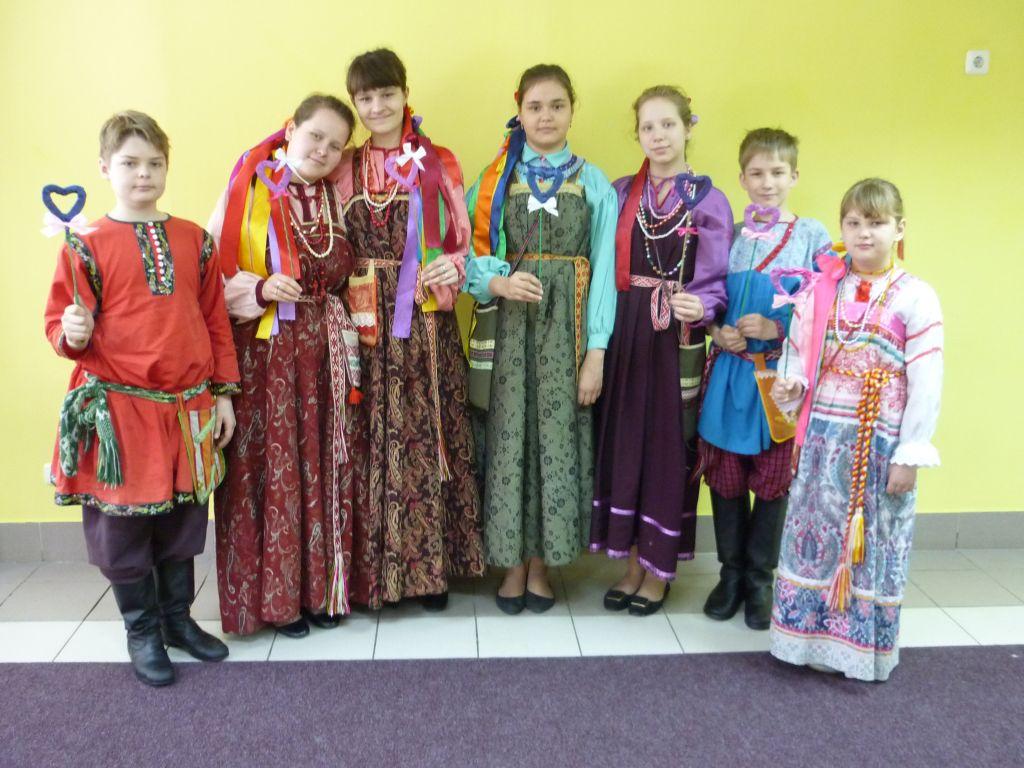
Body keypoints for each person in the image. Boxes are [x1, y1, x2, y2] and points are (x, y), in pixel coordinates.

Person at [45, 111, 239, 686]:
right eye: (130, 163)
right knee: (123, 528)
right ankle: (142, 630)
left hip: (188, 407)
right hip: (119, 410)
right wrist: (72, 331)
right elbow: (62, 327)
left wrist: (222, 394)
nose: (143, 173)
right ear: (105, 168)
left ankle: (178, 620)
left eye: (155, 163)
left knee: (183, 518)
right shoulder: (84, 245)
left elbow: (215, 321)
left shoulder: (194, 240)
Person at [769, 178, 942, 681]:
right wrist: (791, 383)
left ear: (899, 229)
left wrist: (910, 452)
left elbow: (927, 380)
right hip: (822, 441)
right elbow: (799, 350)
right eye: (854, 222)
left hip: (879, 444)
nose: (864, 233)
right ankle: (805, 643)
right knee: (814, 542)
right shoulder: (823, 287)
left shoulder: (916, 296)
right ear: (842, 228)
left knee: (870, 545)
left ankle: (860, 651)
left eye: (877, 222)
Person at [464, 64, 617, 614]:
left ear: (572, 110)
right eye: (535, 107)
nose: (546, 116)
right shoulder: (494, 180)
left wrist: (596, 353)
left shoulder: (593, 182)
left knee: (556, 441)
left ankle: (542, 565)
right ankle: (510, 563)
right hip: (508, 332)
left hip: (567, 334)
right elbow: (461, 255)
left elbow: (605, 274)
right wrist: (498, 282)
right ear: (519, 111)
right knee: (508, 440)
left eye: (557, 105)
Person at [336, 48, 484, 610]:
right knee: (368, 442)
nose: (377, 106)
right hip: (361, 323)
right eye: (365, 97)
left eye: (386, 94)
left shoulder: (437, 161)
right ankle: (373, 575)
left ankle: (428, 575)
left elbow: (460, 242)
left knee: (425, 440)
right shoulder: (344, 165)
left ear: (405, 93)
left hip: (421, 322)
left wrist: (451, 268)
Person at [210, 94, 360, 638]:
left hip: (323, 357)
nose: (323, 150)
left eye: (335, 145)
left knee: (320, 468)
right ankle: (274, 603)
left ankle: (319, 593)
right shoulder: (249, 190)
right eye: (316, 135)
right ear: (291, 129)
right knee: (270, 473)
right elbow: (212, 279)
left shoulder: (335, 196)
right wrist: (260, 288)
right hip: (265, 356)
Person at [591, 86, 731, 616]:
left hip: (675, 338)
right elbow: (603, 266)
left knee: (668, 449)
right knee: (625, 443)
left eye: (668, 124)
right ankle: (631, 564)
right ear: (638, 135)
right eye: (648, 127)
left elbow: (714, 279)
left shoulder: (708, 200)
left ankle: (658, 569)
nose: (658, 136)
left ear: (689, 127)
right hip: (626, 332)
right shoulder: (621, 192)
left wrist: (703, 305)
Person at [697, 128, 831, 629]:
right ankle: (730, 574)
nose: (767, 182)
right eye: (756, 173)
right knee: (726, 474)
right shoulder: (726, 235)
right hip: (730, 375)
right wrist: (717, 331)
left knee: (773, 479)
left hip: (780, 380)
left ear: (794, 176)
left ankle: (760, 579)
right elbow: (705, 296)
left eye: (777, 172)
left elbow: (825, 309)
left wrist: (779, 329)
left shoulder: (812, 236)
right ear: (741, 179)